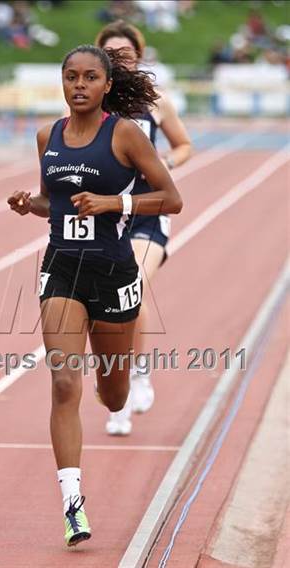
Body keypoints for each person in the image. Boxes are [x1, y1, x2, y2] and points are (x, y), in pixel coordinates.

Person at [8, 44, 182, 546]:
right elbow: (53, 201)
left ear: (107, 86)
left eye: (89, 77)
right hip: (62, 268)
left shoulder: (124, 133)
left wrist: (114, 201)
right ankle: (72, 505)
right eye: (70, 77)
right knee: (64, 381)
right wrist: (29, 204)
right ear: (61, 83)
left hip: (114, 272)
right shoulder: (49, 136)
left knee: (112, 393)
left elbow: (171, 198)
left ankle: (120, 395)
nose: (79, 85)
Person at [95, 20, 192, 435]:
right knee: (106, 308)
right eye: (111, 54)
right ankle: (117, 400)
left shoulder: (156, 102)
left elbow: (184, 145)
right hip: (106, 215)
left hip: (149, 211)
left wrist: (164, 164)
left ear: (138, 56)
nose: (120, 60)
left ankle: (138, 376)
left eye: (126, 54)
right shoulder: (89, 103)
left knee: (129, 286)